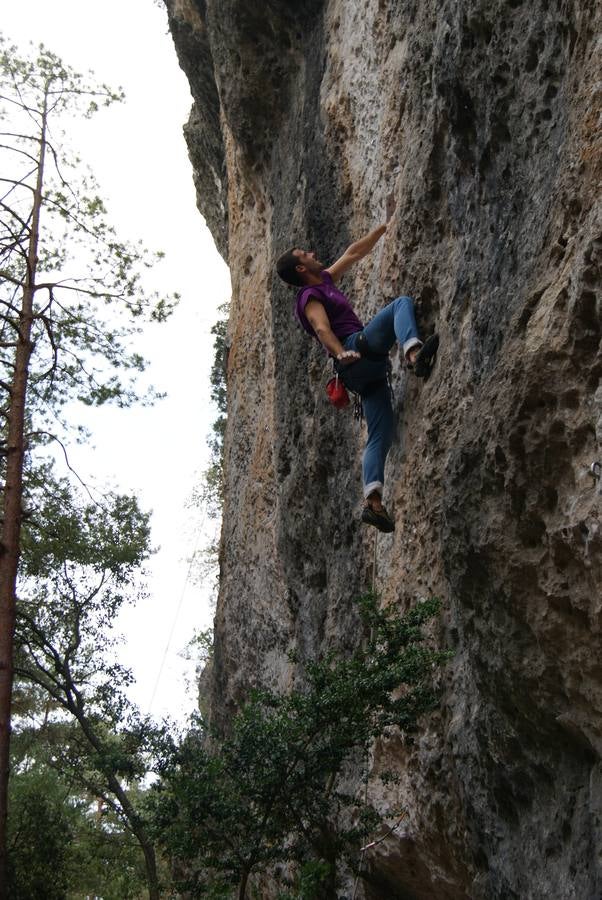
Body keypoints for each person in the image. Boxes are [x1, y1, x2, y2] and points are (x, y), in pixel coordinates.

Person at [275, 223, 438, 533]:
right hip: (354, 350)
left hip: (364, 375)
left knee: (380, 434)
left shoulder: (323, 280)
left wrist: (384, 228)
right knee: (400, 305)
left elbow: (353, 253)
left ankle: (374, 504)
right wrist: (340, 352)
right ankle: (415, 356)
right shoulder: (309, 296)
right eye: (304, 253)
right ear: (300, 267)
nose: (312, 253)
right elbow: (321, 328)